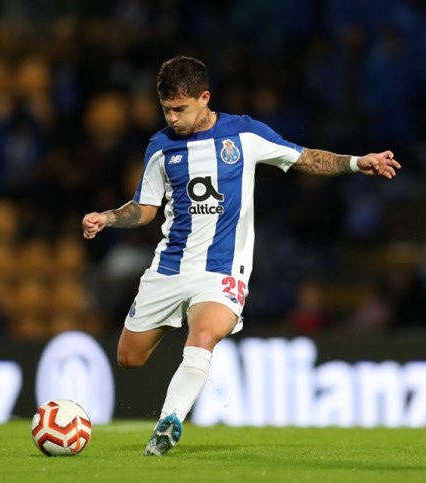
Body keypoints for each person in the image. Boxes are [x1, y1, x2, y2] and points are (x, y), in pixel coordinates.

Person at [81, 56, 400, 456]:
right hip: (170, 267)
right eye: (166, 110)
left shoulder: (244, 134)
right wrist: (109, 217)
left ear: (205, 98)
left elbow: (304, 157)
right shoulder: (160, 146)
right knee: (129, 358)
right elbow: (145, 208)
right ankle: (181, 332)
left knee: (203, 335)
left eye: (180, 109)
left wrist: (356, 162)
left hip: (222, 269)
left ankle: (168, 423)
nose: (173, 118)